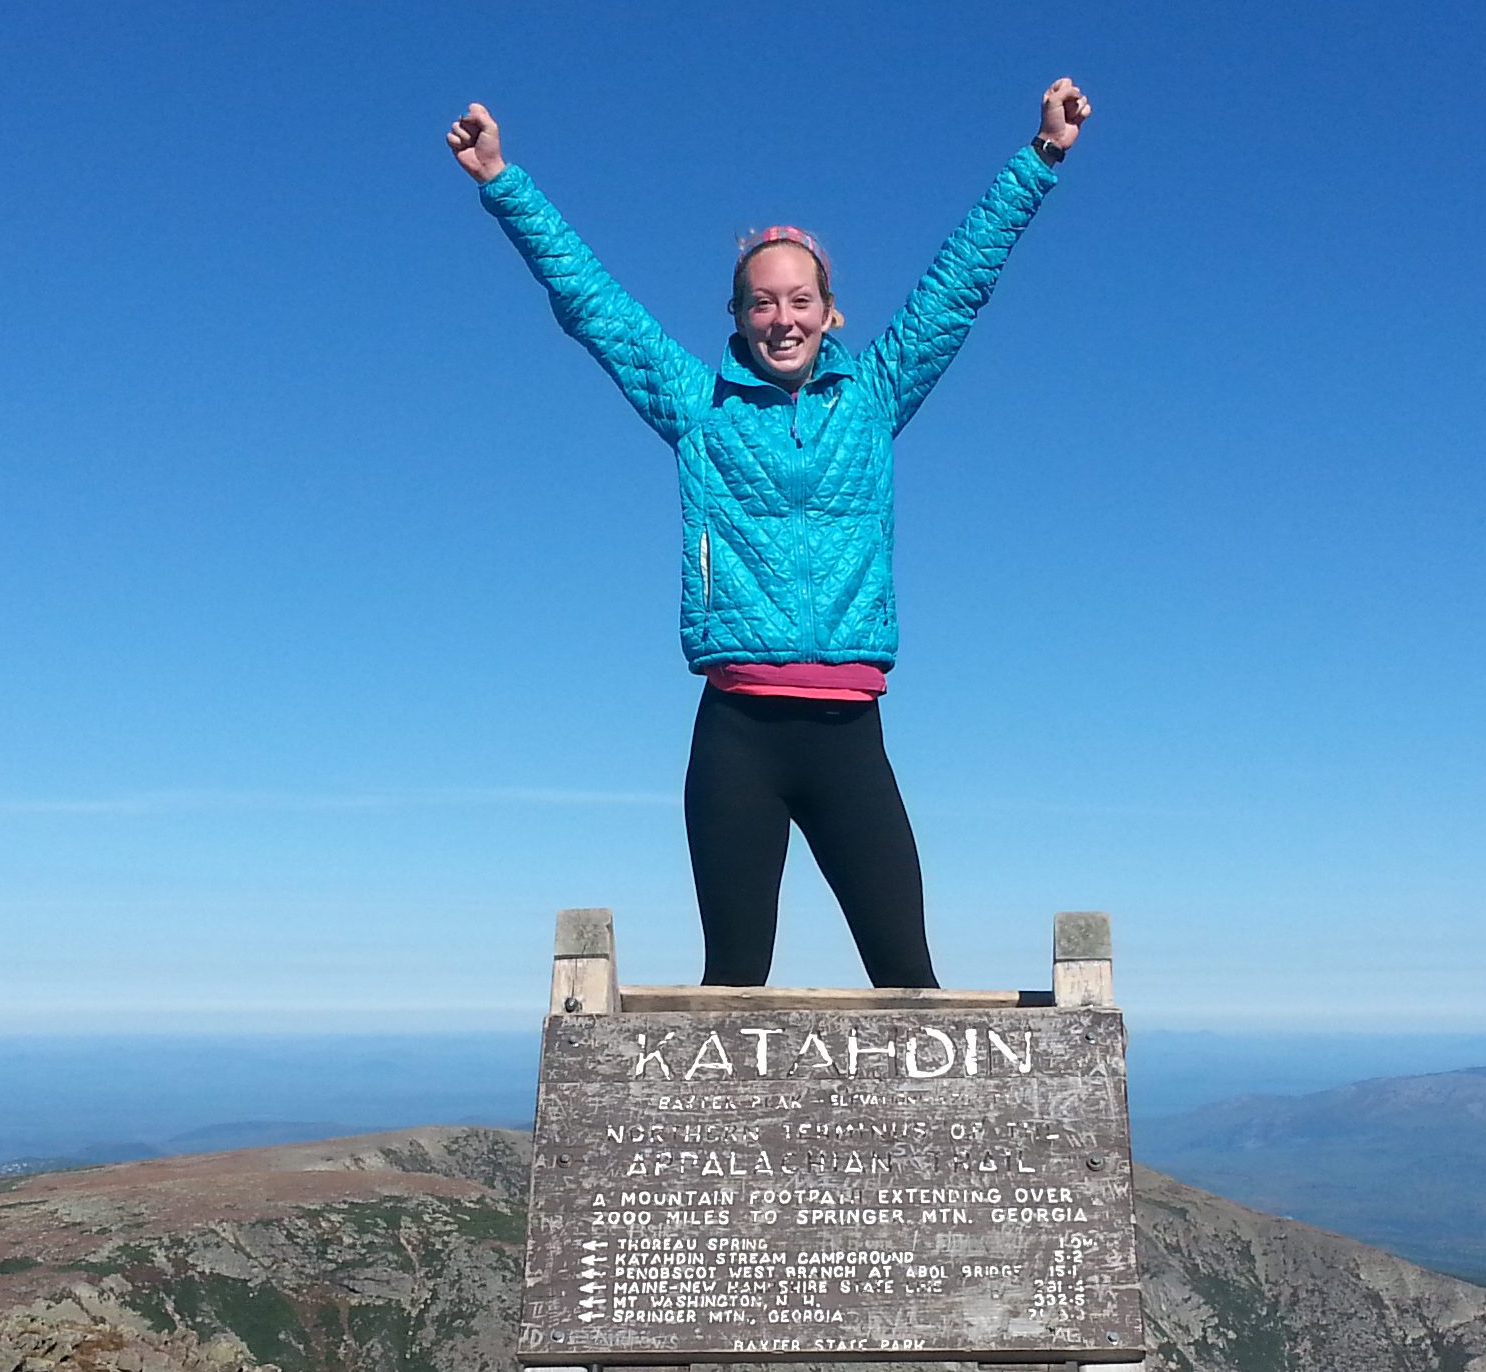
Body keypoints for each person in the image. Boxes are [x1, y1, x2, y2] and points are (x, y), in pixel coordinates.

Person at [448, 81, 1092, 988]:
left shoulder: (871, 398)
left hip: (847, 734)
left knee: (908, 982)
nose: (780, 318)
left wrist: (1041, 157)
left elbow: (960, 283)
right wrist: (500, 180)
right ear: (737, 318)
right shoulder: (698, 407)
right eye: (760, 303)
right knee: (732, 985)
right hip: (737, 735)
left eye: (798, 301)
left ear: (831, 312)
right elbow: (591, 304)